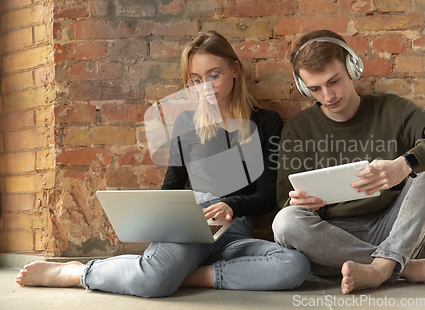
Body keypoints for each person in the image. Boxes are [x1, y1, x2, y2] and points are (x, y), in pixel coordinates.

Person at [16, 31, 310, 297]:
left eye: (214, 75)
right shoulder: (186, 123)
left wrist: (232, 206)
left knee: (294, 264)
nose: (205, 86)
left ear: (235, 69)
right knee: (152, 283)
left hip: (234, 231)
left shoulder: (266, 122)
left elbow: (267, 196)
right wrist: (171, 218)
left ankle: (183, 276)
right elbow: (170, 187)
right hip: (192, 224)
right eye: (195, 79)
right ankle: (78, 272)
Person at [271, 29, 425, 295]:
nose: (328, 96)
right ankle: (405, 267)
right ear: (303, 87)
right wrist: (303, 203)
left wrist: (405, 164)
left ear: (352, 68)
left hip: (395, 230)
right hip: (332, 242)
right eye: (314, 89)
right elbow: (284, 202)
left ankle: (382, 267)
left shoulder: (392, 109)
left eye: (333, 81)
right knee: (285, 222)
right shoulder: (299, 127)